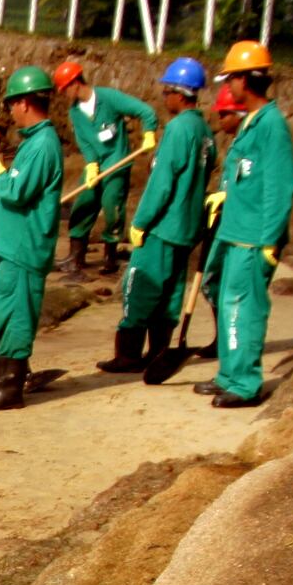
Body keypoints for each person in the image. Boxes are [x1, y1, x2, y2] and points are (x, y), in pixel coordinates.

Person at [97, 58, 216, 375]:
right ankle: (158, 351)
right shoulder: (205, 130)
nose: (164, 98)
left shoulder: (178, 129)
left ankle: (129, 355)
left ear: (179, 93)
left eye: (166, 92)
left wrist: (140, 222)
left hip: (164, 226)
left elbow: (162, 183)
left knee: (140, 287)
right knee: (171, 293)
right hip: (187, 227)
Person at [200, 40, 293, 408]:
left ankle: (245, 384)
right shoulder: (252, 123)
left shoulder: (272, 125)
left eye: (231, 79)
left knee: (244, 309)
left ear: (245, 80)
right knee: (227, 305)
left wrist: (270, 240)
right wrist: (225, 197)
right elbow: (246, 176)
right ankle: (229, 373)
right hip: (235, 232)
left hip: (253, 238)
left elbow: (279, 186)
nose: (228, 86)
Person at [0, 66, 64, 413]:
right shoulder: (35, 142)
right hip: (15, 245)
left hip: (24, 246)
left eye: (11, 104)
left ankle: (11, 388)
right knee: (7, 313)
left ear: (24, 103)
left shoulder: (42, 145)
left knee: (18, 315)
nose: (9, 111)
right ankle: (3, 381)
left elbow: (16, 191)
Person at [52, 59, 158, 277]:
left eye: (64, 89)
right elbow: (85, 141)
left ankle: (110, 256)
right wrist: (91, 164)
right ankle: (75, 256)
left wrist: (149, 133)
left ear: (75, 83)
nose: (64, 94)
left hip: (117, 162)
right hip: (96, 164)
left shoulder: (108, 98)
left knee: (112, 207)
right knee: (84, 202)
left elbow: (146, 112)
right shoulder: (75, 112)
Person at [193, 83, 250, 361]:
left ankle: (228, 342)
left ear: (239, 114)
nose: (220, 119)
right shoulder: (237, 142)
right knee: (213, 281)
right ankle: (222, 338)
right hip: (223, 220)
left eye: (225, 114)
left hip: (239, 226)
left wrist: (228, 197)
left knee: (222, 283)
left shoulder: (249, 142)